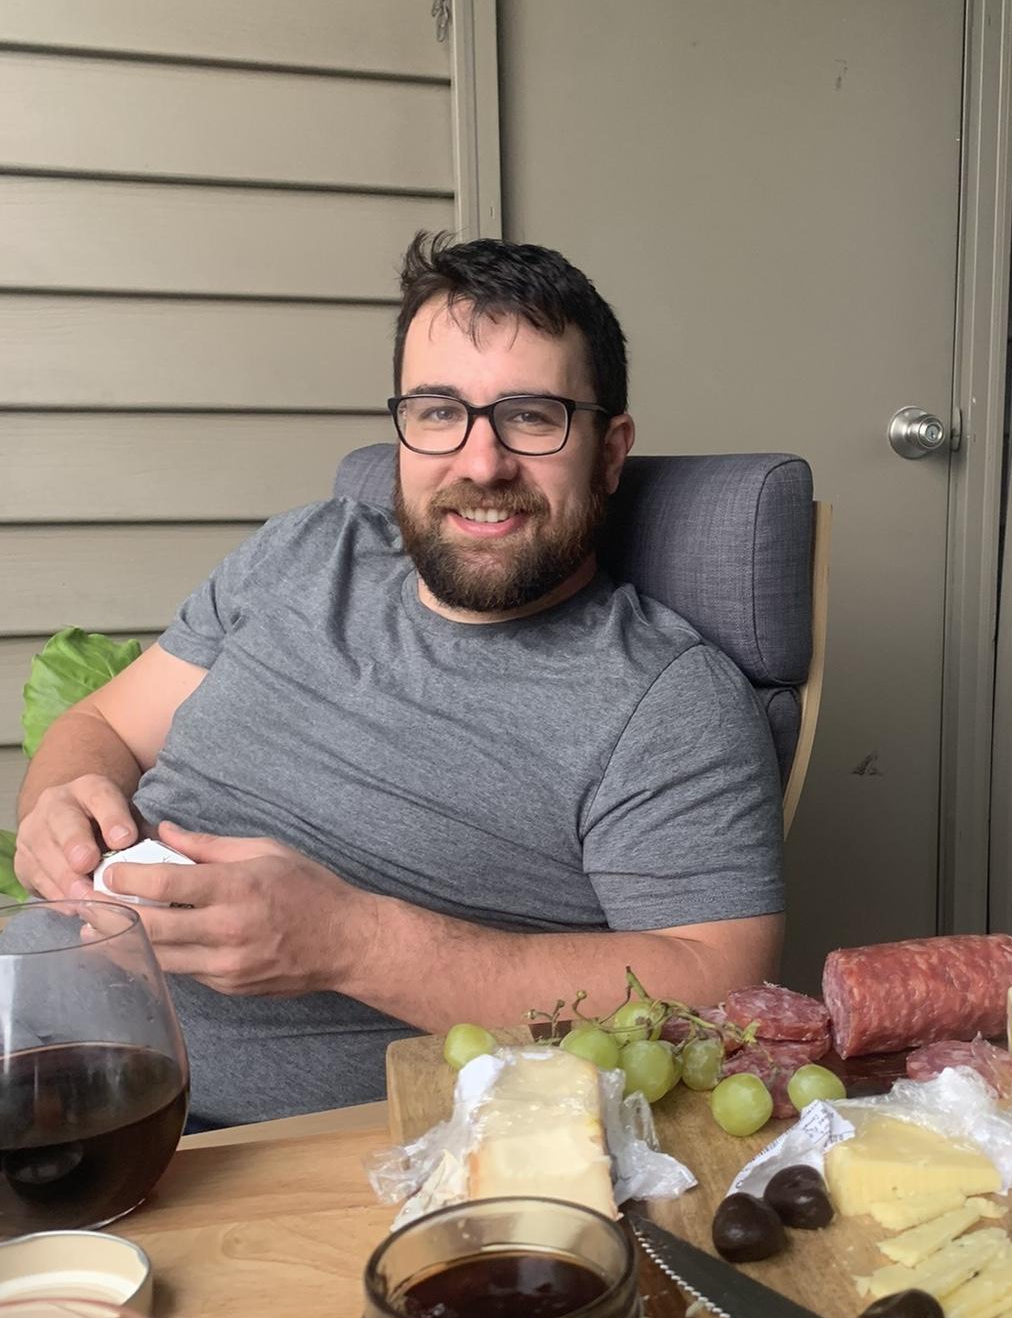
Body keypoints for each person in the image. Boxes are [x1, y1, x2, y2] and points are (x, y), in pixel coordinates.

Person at [13, 235, 786, 1127]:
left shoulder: (666, 698)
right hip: (30, 1024)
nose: (480, 464)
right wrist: (60, 803)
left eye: (533, 418)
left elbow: (720, 985)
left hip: (198, 1149)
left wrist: (351, 944)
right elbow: (104, 726)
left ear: (610, 452)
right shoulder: (307, 549)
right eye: (437, 412)